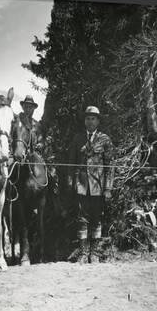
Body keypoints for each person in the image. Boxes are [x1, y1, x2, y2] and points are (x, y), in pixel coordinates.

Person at [68, 106, 114, 264]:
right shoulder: (78, 138)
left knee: (97, 218)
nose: (90, 121)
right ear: (84, 120)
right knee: (82, 218)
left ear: (98, 121)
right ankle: (83, 252)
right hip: (81, 185)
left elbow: (110, 166)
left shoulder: (104, 139)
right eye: (87, 118)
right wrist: (71, 182)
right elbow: (71, 163)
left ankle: (94, 253)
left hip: (98, 186)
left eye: (93, 118)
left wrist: (108, 188)